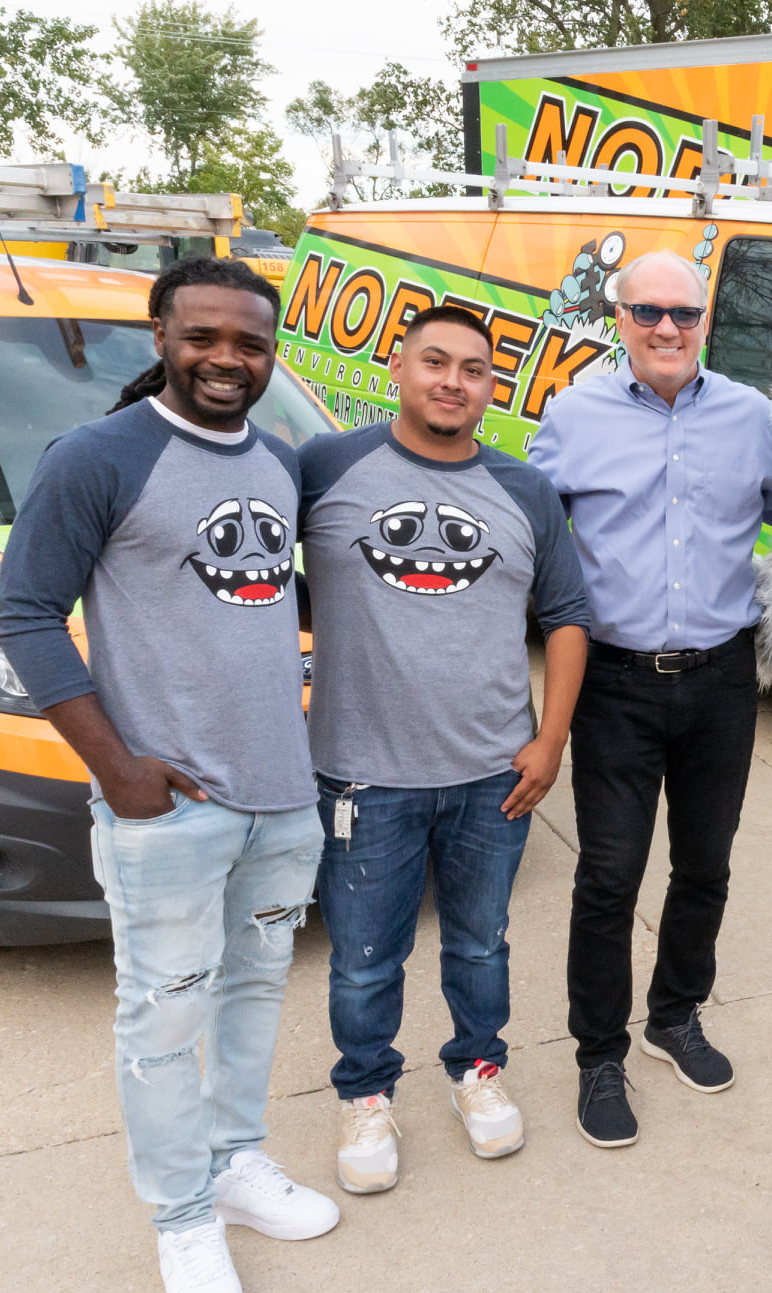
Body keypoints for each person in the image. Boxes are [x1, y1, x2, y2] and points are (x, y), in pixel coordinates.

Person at [0, 258, 337, 1293]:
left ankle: (235, 1160)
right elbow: (27, 618)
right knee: (162, 1010)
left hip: (281, 795)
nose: (229, 359)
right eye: (205, 338)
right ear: (158, 335)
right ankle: (182, 1216)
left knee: (253, 990)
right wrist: (118, 767)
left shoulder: (281, 465)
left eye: (249, 341)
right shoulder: (99, 456)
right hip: (169, 805)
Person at [298, 306, 591, 1193]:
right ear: (398, 365)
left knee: (479, 945)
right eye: (434, 361)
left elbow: (570, 616)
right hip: (362, 772)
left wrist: (548, 742)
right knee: (361, 957)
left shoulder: (524, 490)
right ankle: (366, 1094)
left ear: (492, 387)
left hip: (491, 775)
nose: (452, 381)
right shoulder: (324, 467)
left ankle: (477, 1070)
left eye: (473, 368)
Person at [526, 251, 772, 1147]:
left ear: (705, 319)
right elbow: (525, 524)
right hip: (613, 684)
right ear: (619, 317)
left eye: (683, 313)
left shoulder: (752, 417)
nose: (667, 329)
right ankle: (599, 1056)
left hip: (721, 678)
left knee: (705, 867)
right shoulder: (575, 413)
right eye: (648, 313)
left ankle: (674, 1016)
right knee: (607, 877)